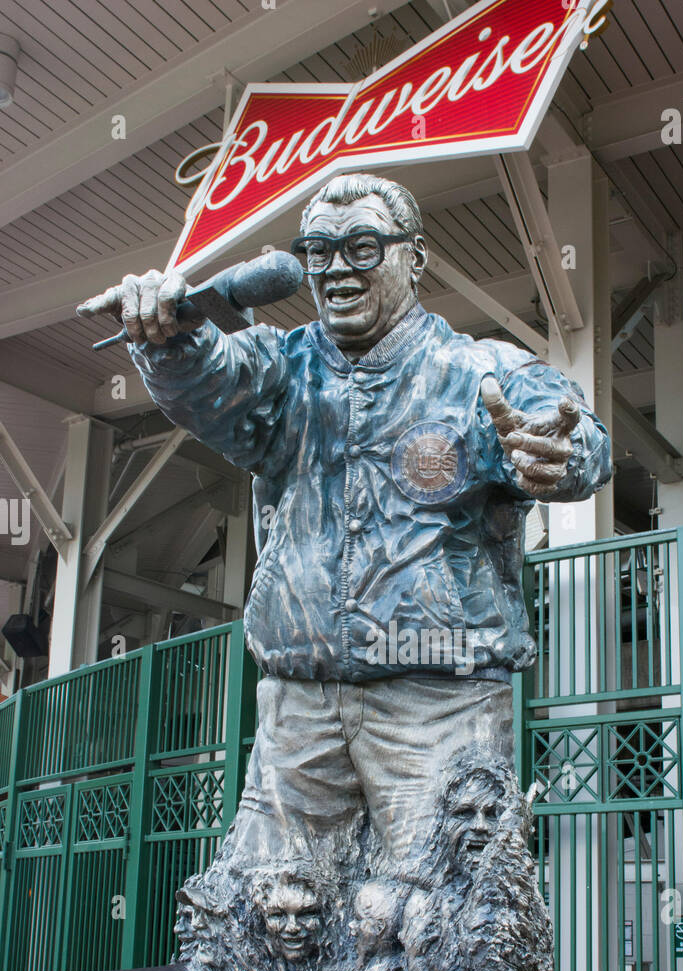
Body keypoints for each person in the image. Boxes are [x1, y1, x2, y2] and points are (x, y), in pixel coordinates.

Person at [78, 172, 611, 864]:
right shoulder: (279, 368)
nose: (335, 269)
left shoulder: (478, 369)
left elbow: (573, 435)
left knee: (448, 919)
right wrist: (168, 342)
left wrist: (559, 451)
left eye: (361, 247)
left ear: (412, 258)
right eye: (319, 251)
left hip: (440, 703)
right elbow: (210, 382)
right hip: (298, 705)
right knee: (269, 914)